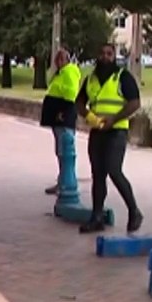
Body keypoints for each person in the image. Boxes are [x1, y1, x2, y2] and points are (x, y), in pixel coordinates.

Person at [75, 43, 143, 234]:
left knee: (114, 170)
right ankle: (97, 217)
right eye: (102, 53)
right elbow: (79, 103)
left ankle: (134, 210)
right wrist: (89, 117)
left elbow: (135, 103)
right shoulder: (91, 80)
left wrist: (114, 119)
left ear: (114, 57)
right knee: (98, 174)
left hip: (117, 131)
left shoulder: (123, 77)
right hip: (97, 131)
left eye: (109, 54)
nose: (105, 57)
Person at [40, 48, 82, 195]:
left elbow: (70, 94)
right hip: (58, 116)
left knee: (65, 150)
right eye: (57, 59)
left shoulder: (69, 71)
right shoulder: (61, 73)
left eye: (61, 59)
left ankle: (66, 182)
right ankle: (62, 181)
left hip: (63, 116)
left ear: (67, 60)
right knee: (60, 150)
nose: (58, 62)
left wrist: (62, 112)